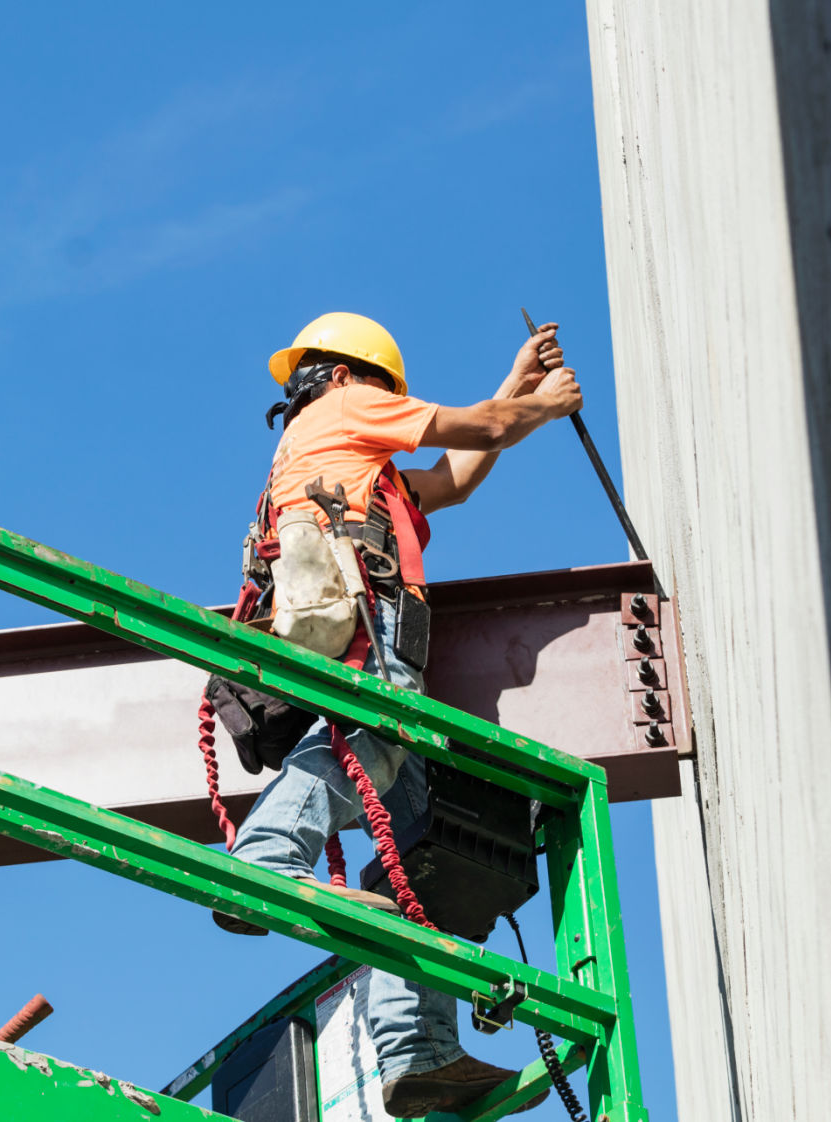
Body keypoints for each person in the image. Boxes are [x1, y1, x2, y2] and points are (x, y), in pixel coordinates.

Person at [222, 312, 582, 1118]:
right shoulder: (348, 409)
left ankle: (418, 1051)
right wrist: (547, 404)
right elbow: (477, 428)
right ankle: (267, 861)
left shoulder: (356, 460)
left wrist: (515, 385)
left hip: (364, 641)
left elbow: (453, 476)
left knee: (436, 838)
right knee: (372, 743)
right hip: (369, 645)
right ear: (355, 376)